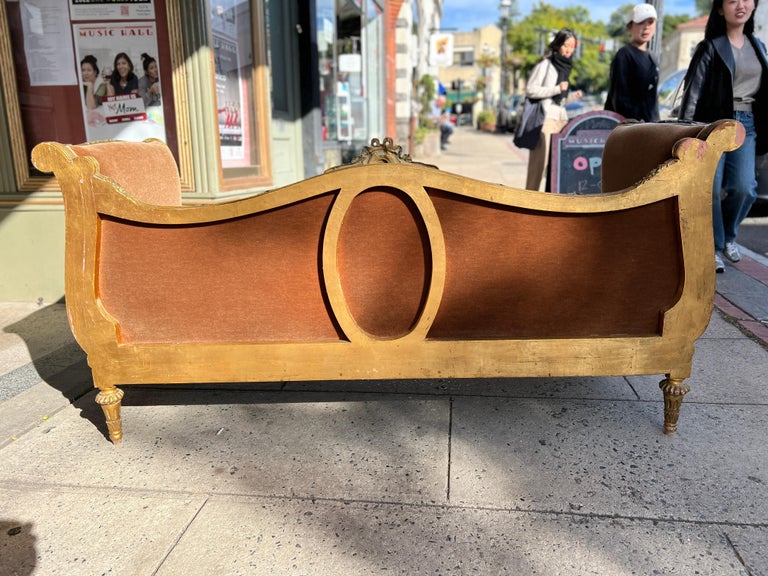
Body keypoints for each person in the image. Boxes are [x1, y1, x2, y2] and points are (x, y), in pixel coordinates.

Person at [678, 0, 768, 273]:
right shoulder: (709, 47)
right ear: (720, 9)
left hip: (747, 124)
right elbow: (692, 92)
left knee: (745, 187)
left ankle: (728, 236)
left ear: (753, 6)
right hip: (713, 125)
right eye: (731, 1)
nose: (740, 5)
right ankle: (715, 247)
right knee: (711, 190)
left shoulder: (759, 46)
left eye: (745, 0)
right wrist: (689, 131)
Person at [524, 28, 583, 191]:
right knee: (540, 165)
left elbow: (560, 101)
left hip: (561, 119)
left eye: (572, 47)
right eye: (566, 45)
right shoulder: (546, 64)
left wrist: (572, 97)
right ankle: (528, 202)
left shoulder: (566, 67)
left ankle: (551, 203)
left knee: (557, 166)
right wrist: (557, 89)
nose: (569, 50)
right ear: (557, 45)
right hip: (546, 119)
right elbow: (531, 89)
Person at [604, 3, 660, 122]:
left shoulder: (652, 57)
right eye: (640, 22)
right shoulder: (624, 55)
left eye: (650, 22)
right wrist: (635, 121)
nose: (646, 27)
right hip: (630, 128)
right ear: (630, 27)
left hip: (651, 127)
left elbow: (652, 100)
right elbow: (619, 98)